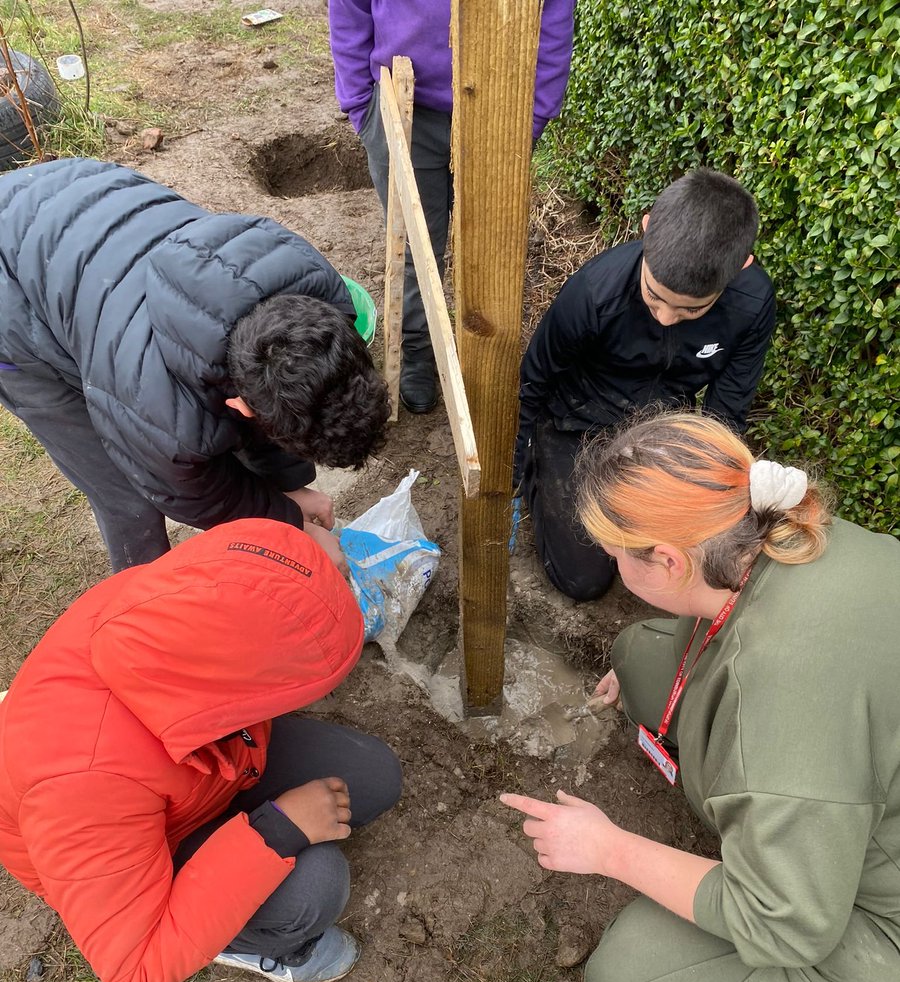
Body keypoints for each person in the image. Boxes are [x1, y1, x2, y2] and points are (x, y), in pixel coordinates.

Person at [503, 412, 900, 982]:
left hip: (872, 915)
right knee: (640, 654)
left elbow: (785, 926)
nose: (606, 562)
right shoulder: (790, 530)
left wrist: (608, 848)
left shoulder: (782, 715)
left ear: (666, 559)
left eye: (614, 553)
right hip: (846, 775)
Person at [0, 518, 402, 982]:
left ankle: (243, 847)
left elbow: (264, 576)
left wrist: (312, 573)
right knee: (316, 885)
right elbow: (135, 969)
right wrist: (278, 831)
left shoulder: (173, 600)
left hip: (201, 766)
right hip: (148, 840)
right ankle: (245, 944)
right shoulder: (81, 786)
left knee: (373, 775)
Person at [0, 158, 390, 572]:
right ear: (240, 406)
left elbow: (282, 392)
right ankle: (147, 605)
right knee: (127, 491)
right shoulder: (155, 409)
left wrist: (291, 490)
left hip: (77, 196)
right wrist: (289, 524)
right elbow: (192, 492)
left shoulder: (320, 292)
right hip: (12, 297)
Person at [515, 169, 776, 601]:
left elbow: (725, 412)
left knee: (704, 562)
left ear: (740, 267)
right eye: (655, 296)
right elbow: (535, 378)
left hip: (659, 430)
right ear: (648, 226)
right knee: (584, 579)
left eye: (691, 311)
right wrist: (515, 457)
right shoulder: (594, 292)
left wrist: (705, 493)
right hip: (575, 420)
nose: (666, 317)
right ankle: (539, 477)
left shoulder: (752, 303)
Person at [328, 0, 575, 413]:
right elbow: (349, 8)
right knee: (415, 247)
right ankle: (419, 353)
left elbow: (553, 15)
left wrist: (532, 116)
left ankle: (486, 360)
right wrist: (359, 103)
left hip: (497, 105)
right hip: (404, 106)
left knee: (491, 243)